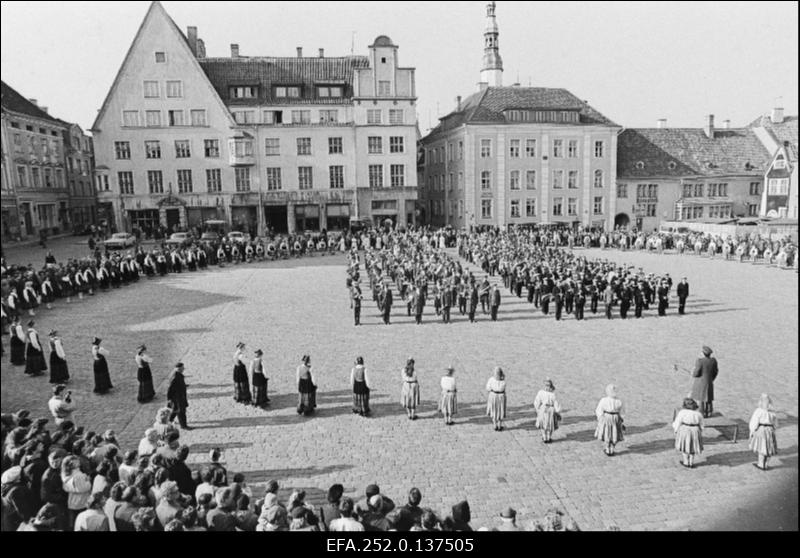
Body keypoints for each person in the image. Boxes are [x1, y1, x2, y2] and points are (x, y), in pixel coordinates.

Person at [749, 394, 778, 471]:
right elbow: (776, 424)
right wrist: (773, 430)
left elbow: (754, 422)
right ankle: (766, 464)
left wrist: (752, 431)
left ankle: (761, 464)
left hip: (761, 430)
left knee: (761, 448)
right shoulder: (772, 413)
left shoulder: (759, 411)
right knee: (769, 448)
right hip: (770, 430)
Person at [673, 397, 704, 469]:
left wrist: (676, 430)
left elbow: (677, 422)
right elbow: (702, 424)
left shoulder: (682, 412)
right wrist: (700, 431)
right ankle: (691, 462)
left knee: (684, 446)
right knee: (692, 446)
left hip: (685, 429)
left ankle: (686, 461)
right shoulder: (698, 414)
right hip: (695, 430)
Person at [595, 384, 624, 456]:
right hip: (616, 418)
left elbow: (599, 410)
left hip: (606, 417)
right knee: (615, 433)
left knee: (607, 433)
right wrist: (621, 419)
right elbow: (622, 411)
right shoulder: (619, 401)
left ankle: (608, 448)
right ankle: (612, 448)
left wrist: (600, 418)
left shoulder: (604, 400)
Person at [691, 346, 719, 418]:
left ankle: (701, 413)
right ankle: (709, 412)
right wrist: (711, 379)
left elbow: (696, 373)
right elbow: (716, 372)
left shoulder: (700, 361)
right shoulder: (713, 361)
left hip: (700, 383)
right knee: (708, 397)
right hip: (709, 382)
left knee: (701, 398)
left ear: (703, 353)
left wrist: (692, 373)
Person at [533, 379, 562, 443]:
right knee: (548, 424)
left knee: (545, 424)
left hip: (544, 409)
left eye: (548, 386)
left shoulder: (541, 392)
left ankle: (545, 437)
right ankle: (547, 437)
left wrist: (537, 409)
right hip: (550, 410)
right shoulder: (552, 395)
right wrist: (558, 411)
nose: (547, 387)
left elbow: (537, 401)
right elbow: (556, 404)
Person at [166, 363, 191, 430]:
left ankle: (169, 421)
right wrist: (169, 399)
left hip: (179, 396)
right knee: (181, 411)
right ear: (179, 368)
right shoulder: (175, 376)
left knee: (175, 410)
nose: (183, 369)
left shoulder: (178, 375)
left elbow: (178, 384)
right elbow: (170, 388)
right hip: (177, 397)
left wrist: (184, 386)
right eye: (182, 368)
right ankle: (183, 425)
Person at [485, 367, 507, 431]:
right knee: (500, 411)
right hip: (501, 397)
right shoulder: (503, 382)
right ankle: (499, 425)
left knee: (494, 410)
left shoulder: (491, 380)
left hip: (493, 396)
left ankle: (495, 425)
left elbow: (488, 388)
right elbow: (503, 389)